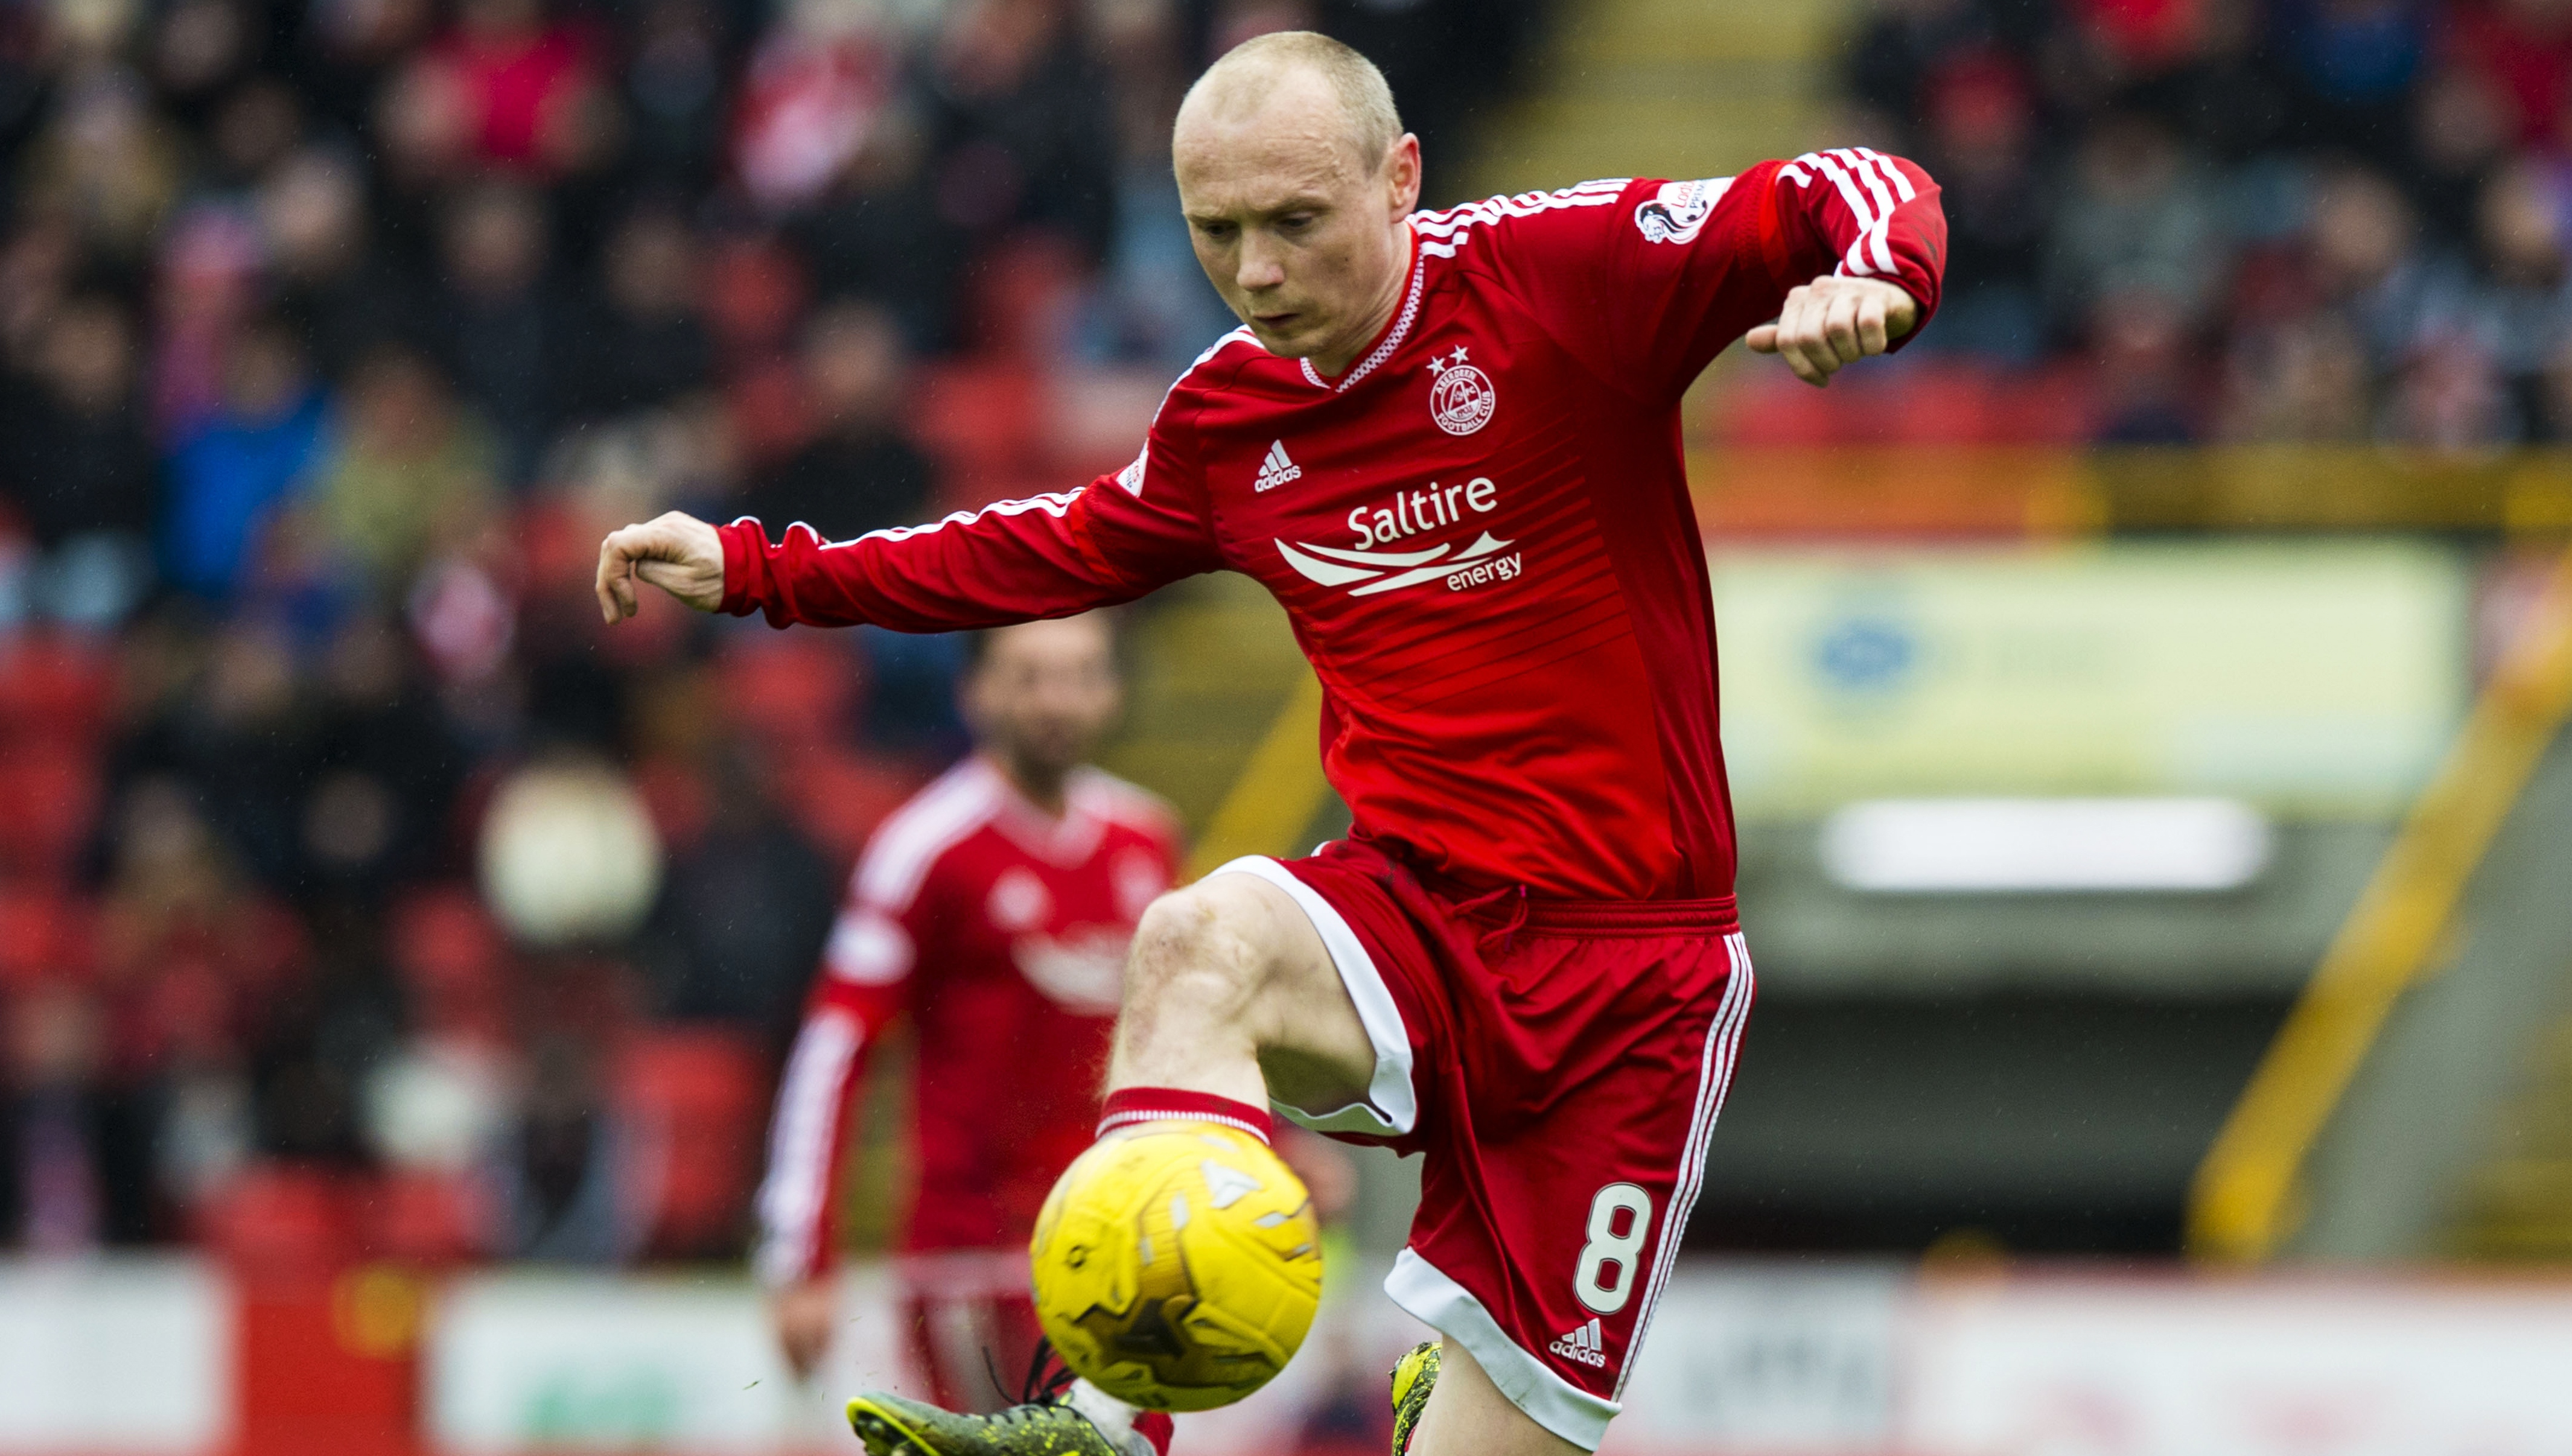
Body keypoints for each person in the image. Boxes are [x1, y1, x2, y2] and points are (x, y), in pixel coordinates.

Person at [596, 30, 1943, 1456]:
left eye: (1296, 222)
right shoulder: (1227, 422)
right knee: (1196, 940)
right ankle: (1107, 1423)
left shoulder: (1556, 277)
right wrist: (760, 571)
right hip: (1410, 914)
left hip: (1630, 977)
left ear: (1400, 177)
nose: (1255, 274)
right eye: (1215, 232)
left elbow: (1847, 179)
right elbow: (1033, 550)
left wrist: (1878, 273)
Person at [753, 614, 1184, 1428]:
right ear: (975, 690)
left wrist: (1285, 1150)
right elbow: (836, 1046)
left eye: (1080, 675)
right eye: (1029, 677)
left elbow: (1190, 1035)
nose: (1056, 700)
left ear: (1113, 690)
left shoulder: (1146, 838)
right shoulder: (926, 846)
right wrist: (800, 1254)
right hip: (970, 1261)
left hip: (1122, 1248)